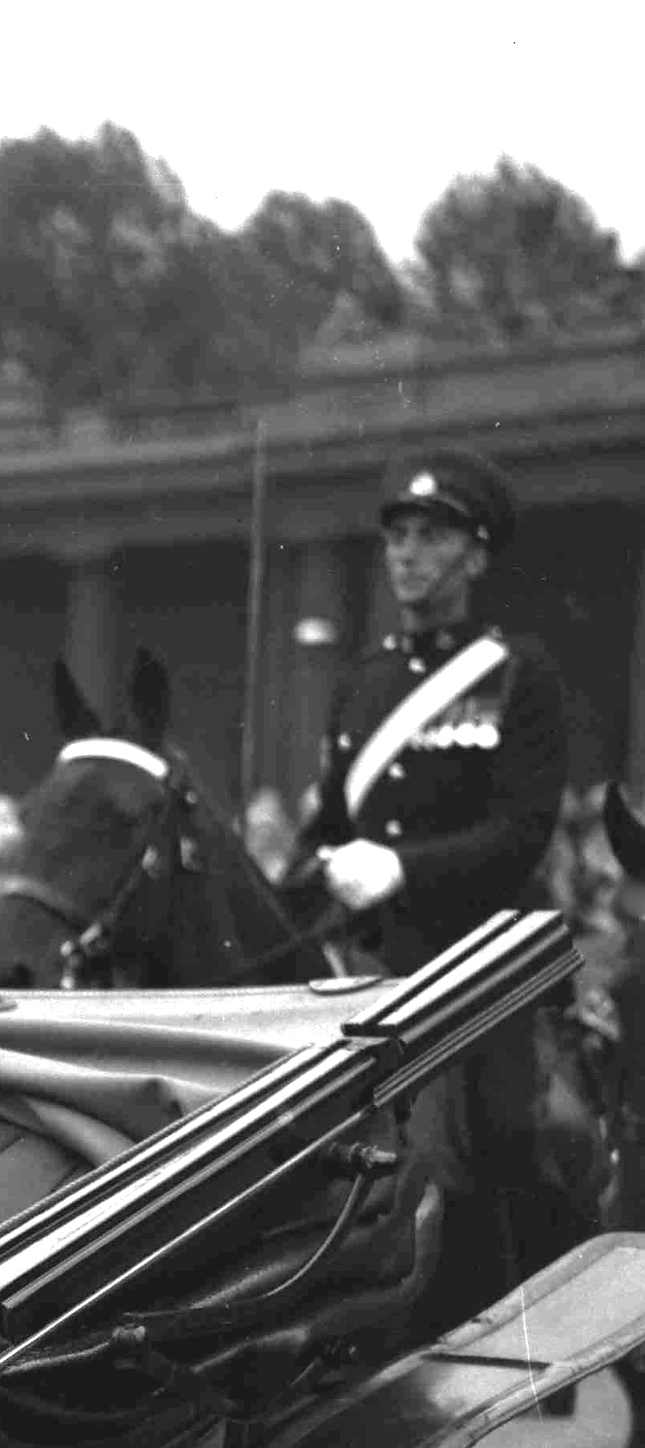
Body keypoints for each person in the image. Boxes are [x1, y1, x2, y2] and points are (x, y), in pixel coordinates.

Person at [301, 448, 574, 1319]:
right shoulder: (364, 681)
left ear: (475, 557)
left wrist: (402, 868)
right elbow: (330, 827)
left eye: (432, 537)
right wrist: (307, 874)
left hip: (478, 964)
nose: (408, 554)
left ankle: (551, 1330)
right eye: (400, 537)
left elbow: (522, 831)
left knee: (512, 1135)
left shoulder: (518, 675)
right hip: (371, 965)